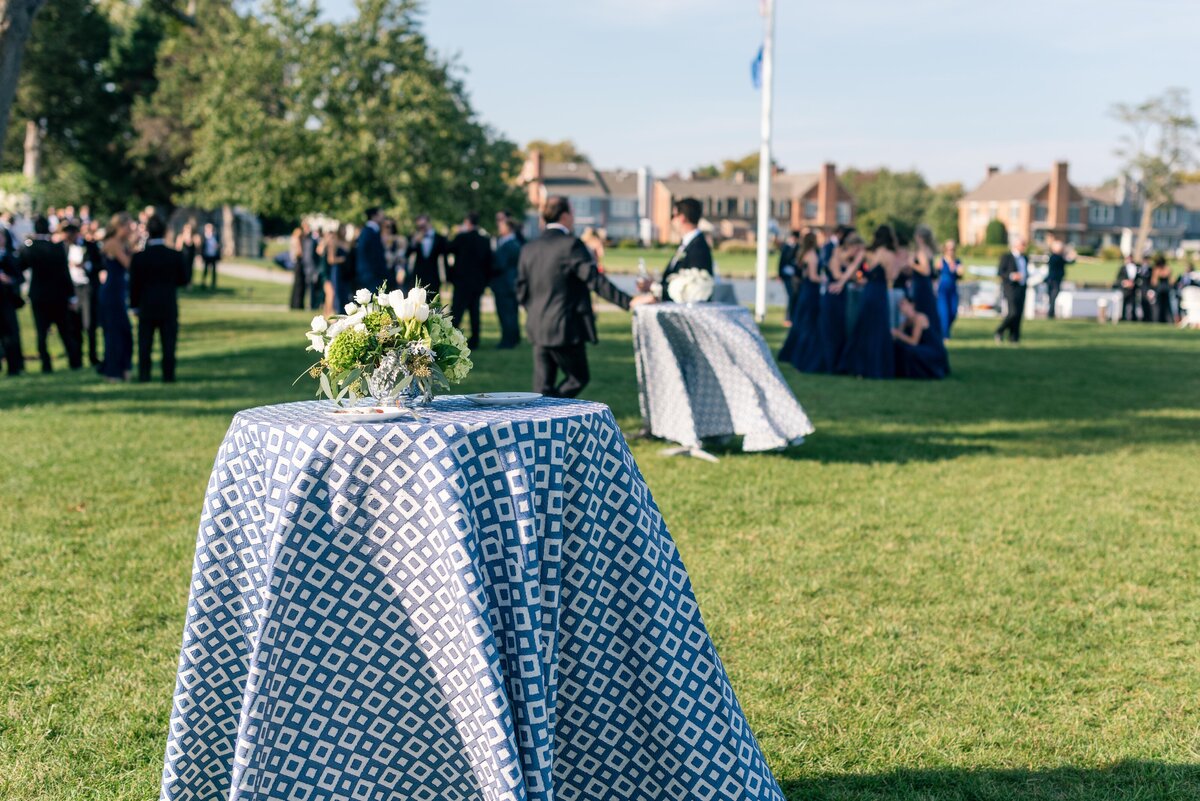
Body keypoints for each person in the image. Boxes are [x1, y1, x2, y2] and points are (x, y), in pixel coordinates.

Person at [516, 195, 654, 397]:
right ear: (564, 216)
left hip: (537, 326)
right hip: (565, 327)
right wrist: (629, 301)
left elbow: (521, 289)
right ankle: (551, 413)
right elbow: (595, 280)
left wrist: (536, 311)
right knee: (578, 378)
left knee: (542, 389)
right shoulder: (571, 245)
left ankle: (545, 419)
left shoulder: (529, 248)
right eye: (572, 213)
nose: (574, 218)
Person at [130, 215, 189, 382]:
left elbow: (134, 284)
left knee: (144, 343)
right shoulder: (174, 255)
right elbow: (183, 280)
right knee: (168, 343)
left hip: (146, 305)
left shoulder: (139, 257)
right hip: (168, 304)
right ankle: (168, 375)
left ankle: (144, 375)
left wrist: (134, 305)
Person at [21, 216, 82, 373]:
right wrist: (71, 295)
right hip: (58, 295)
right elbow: (64, 272)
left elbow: (21, 266)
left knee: (41, 332)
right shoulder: (56, 248)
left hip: (39, 295)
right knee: (64, 330)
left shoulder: (31, 248)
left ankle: (46, 364)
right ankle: (74, 360)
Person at [837, 226, 897, 378]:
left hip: (868, 292)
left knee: (863, 327)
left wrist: (841, 282)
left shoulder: (868, 252)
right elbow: (891, 277)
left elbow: (851, 268)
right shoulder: (889, 255)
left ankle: (858, 366)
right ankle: (877, 367)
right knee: (879, 329)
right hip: (880, 294)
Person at [777, 232, 824, 373]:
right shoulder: (812, 255)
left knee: (801, 322)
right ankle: (803, 355)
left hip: (804, 290)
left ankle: (794, 353)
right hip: (811, 291)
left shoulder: (802, 253)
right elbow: (814, 276)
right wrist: (826, 280)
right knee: (809, 324)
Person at [98, 213, 135, 382]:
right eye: (128, 226)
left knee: (124, 330)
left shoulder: (122, 243)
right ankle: (113, 371)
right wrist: (134, 246)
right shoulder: (113, 243)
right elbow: (127, 264)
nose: (130, 229)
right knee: (114, 332)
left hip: (120, 290)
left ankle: (123, 368)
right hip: (112, 292)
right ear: (119, 227)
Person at [447, 212, 492, 350]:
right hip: (477, 282)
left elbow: (448, 249)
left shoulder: (461, 237)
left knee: (457, 311)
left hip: (462, 281)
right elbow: (488, 261)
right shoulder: (484, 240)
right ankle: (475, 339)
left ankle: (453, 337)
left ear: (467, 222)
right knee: (475, 312)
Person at [821, 232, 864, 372]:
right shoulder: (837, 252)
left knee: (842, 327)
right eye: (856, 249)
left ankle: (841, 362)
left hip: (844, 294)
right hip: (833, 294)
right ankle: (830, 363)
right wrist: (853, 275)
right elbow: (837, 274)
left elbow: (851, 274)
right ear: (851, 246)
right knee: (832, 328)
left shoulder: (851, 260)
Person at [657, 197, 712, 287]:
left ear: (682, 217)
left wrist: (657, 290)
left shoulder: (698, 248)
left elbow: (694, 285)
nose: (672, 221)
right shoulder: (687, 244)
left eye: (673, 216)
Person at [892, 296, 949, 380]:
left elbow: (914, 342)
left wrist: (898, 334)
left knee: (910, 351)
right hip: (920, 347)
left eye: (903, 303)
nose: (900, 306)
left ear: (912, 305)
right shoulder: (906, 322)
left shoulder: (919, 318)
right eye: (899, 304)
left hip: (931, 349)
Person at [491, 213, 522, 349]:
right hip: (510, 283)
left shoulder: (509, 244)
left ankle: (508, 341)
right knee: (512, 313)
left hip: (504, 284)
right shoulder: (514, 243)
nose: (499, 227)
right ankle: (513, 338)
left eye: (501, 225)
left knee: (506, 313)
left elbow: (499, 264)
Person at [0, 212, 25, 376]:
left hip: (6, 300)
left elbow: (19, 277)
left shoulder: (9, 256)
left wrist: (8, 280)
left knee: (10, 334)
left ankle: (15, 366)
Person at [994, 234, 1030, 344]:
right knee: (1012, 313)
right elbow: (1000, 272)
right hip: (1010, 288)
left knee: (1019, 313)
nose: (1024, 246)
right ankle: (1000, 330)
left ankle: (1014, 337)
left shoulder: (1025, 258)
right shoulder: (1006, 257)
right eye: (1022, 244)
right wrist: (1011, 276)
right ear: (1016, 245)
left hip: (1021, 287)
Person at [909, 225, 943, 340]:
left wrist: (911, 264)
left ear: (920, 238)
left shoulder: (921, 251)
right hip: (925, 285)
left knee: (922, 309)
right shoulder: (929, 250)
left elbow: (926, 270)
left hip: (921, 285)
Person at [404, 214, 449, 296]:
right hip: (418, 275)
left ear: (429, 223)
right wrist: (414, 242)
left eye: (423, 226)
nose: (422, 228)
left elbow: (444, 258)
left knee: (433, 301)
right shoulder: (414, 237)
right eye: (419, 227)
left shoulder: (439, 238)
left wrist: (446, 277)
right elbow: (407, 254)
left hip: (434, 275)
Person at [353, 207, 388, 294]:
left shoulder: (371, 231)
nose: (383, 217)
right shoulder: (369, 232)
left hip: (371, 272)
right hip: (370, 273)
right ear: (374, 216)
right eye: (381, 214)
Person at [317, 228, 348, 318]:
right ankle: (328, 313)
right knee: (330, 293)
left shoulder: (329, 246)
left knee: (329, 293)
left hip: (328, 273)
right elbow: (330, 259)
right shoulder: (327, 246)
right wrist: (342, 259)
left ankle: (327, 313)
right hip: (325, 273)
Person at [936, 240, 963, 339]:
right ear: (945, 250)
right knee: (944, 312)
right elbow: (935, 274)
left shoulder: (958, 261)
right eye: (949, 249)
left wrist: (958, 271)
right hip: (942, 289)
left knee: (953, 311)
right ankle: (945, 335)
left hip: (953, 289)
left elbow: (960, 276)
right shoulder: (941, 261)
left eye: (952, 249)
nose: (950, 251)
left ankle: (944, 330)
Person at [1045, 237, 1076, 319]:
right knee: (1053, 297)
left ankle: (1051, 313)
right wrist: (1072, 256)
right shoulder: (1057, 257)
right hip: (1054, 280)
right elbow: (1069, 262)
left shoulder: (1053, 257)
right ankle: (1050, 314)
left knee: (1052, 297)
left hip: (1052, 280)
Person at [778, 230, 800, 327]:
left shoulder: (798, 248)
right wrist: (780, 275)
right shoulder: (786, 247)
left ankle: (793, 317)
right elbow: (781, 262)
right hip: (787, 276)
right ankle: (788, 318)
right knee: (791, 296)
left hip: (795, 276)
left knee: (795, 296)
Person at [1148, 254, 1175, 324]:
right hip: (1166, 289)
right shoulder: (1167, 269)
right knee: (1166, 307)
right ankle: (1167, 320)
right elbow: (1171, 281)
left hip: (1160, 289)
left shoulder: (1157, 269)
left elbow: (1154, 282)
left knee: (1158, 307)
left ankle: (1157, 320)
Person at [1114, 254, 1140, 321]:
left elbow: (1139, 279)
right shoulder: (1122, 268)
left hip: (1134, 289)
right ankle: (1123, 318)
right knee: (1124, 304)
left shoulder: (1137, 267)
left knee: (1134, 303)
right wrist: (1124, 283)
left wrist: (1134, 283)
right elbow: (1118, 279)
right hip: (1125, 290)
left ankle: (1134, 318)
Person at [288, 226, 307, 310]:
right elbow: (299, 252)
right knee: (299, 285)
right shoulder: (296, 240)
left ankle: (295, 304)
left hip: (297, 263)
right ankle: (297, 304)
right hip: (298, 263)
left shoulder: (293, 239)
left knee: (297, 284)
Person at [176, 221, 199, 289]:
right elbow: (178, 247)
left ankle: (189, 283)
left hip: (190, 257)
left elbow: (197, 247)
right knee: (182, 270)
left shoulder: (194, 237)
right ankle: (182, 282)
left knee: (190, 270)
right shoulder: (180, 237)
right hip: (183, 256)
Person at [200, 223, 221, 290]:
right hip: (206, 255)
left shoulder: (215, 236)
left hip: (213, 255)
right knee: (205, 270)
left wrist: (217, 247)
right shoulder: (204, 236)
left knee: (214, 271)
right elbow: (202, 247)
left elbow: (218, 245)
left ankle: (213, 283)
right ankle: (203, 282)